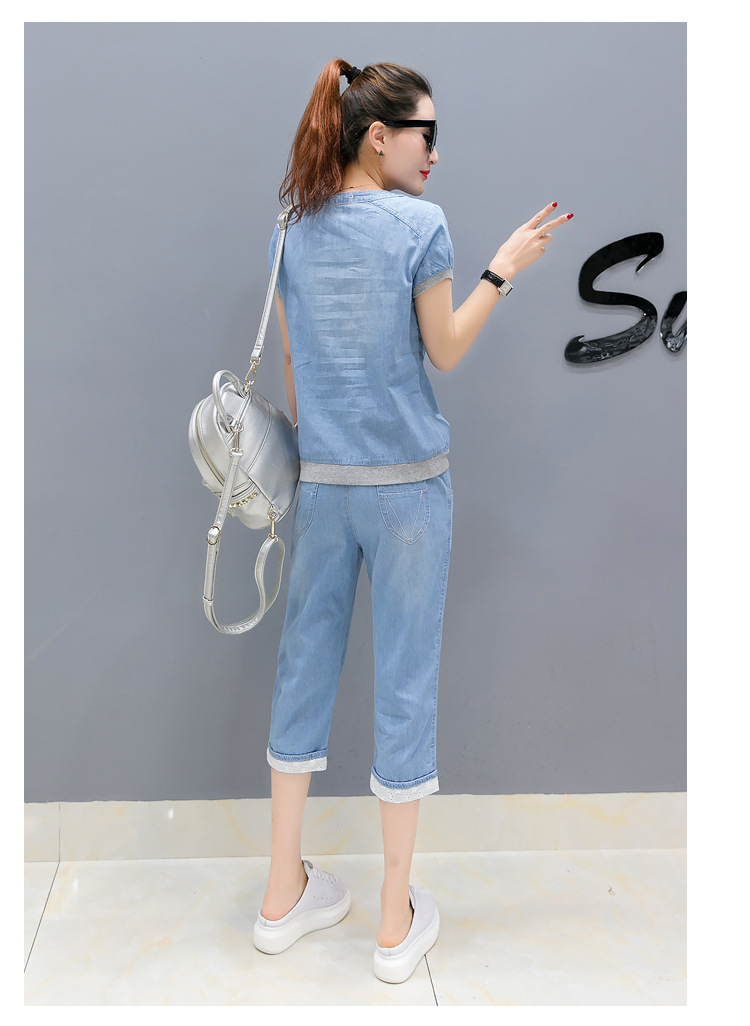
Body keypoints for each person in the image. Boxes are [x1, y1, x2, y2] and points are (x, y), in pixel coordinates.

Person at [252, 58, 574, 984]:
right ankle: (394, 922)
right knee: (404, 682)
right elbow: (446, 349)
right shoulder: (421, 227)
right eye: (425, 135)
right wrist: (502, 271)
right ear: (379, 136)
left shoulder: (289, 230)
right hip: (408, 494)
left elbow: (295, 371)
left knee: (302, 670)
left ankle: (280, 896)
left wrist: (331, 450)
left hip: (323, 485)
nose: (435, 152)